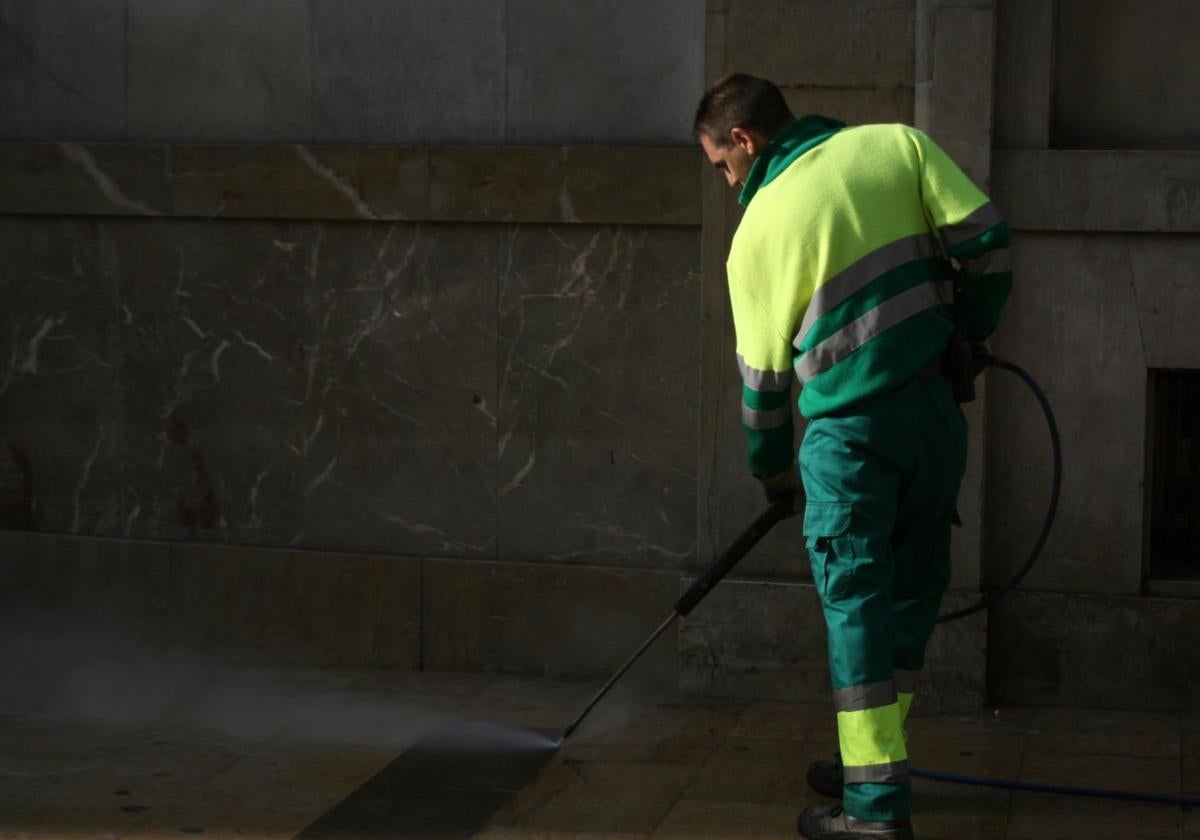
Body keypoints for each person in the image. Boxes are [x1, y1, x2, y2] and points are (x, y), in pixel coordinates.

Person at [694, 74, 1012, 840]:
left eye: (721, 166)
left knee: (858, 609)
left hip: (848, 439)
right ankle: (872, 756)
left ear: (745, 140)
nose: (727, 183)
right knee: (912, 588)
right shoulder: (895, 145)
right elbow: (991, 246)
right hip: (934, 415)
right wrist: (969, 332)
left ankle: (872, 809)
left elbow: (763, 389)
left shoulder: (757, 235)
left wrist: (771, 468)